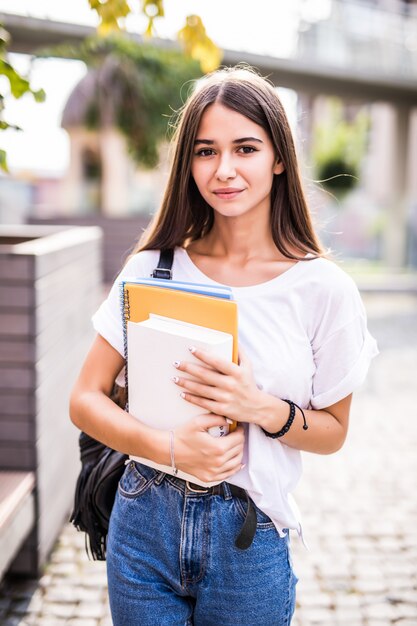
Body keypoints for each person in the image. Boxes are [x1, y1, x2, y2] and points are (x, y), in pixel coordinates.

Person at [70, 66, 378, 625]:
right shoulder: (152, 269)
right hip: (143, 524)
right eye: (206, 151)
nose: (225, 170)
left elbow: (333, 431)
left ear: (279, 157)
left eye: (246, 148)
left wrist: (256, 405)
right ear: (188, 163)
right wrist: (169, 448)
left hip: (250, 538)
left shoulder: (323, 289)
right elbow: (84, 400)